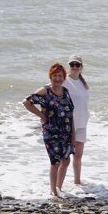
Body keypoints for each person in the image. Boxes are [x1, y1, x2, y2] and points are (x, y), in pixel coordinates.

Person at [23, 62, 75, 198]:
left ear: (64, 77)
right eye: (55, 76)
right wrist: (41, 115)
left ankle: (59, 188)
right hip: (51, 132)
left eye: (60, 76)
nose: (58, 78)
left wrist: (73, 135)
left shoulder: (65, 92)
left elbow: (70, 114)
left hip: (67, 131)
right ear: (50, 76)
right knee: (55, 162)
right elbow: (26, 102)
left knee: (66, 161)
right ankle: (54, 192)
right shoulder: (45, 91)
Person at [63, 55, 89, 185]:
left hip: (82, 124)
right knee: (65, 158)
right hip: (68, 125)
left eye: (77, 65)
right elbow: (49, 90)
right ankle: (57, 186)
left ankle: (77, 182)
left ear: (81, 67)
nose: (74, 67)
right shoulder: (64, 81)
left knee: (78, 156)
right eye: (72, 64)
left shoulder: (84, 84)